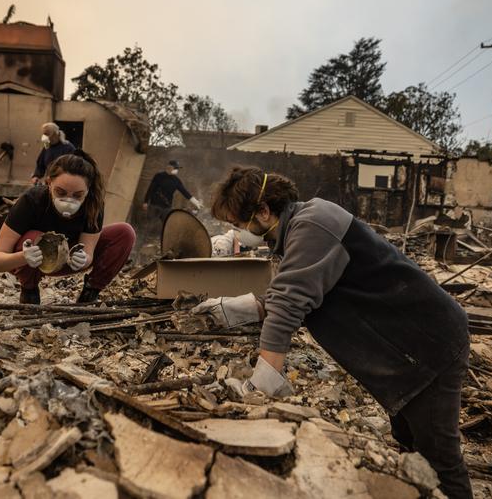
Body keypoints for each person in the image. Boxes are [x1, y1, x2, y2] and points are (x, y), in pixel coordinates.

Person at [192, 167, 472, 499]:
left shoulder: (313, 224)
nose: (238, 233)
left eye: (239, 224)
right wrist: (237, 308)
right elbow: (301, 290)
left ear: (264, 211)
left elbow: (288, 304)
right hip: (404, 349)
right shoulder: (301, 226)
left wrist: (263, 382)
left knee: (440, 459)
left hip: (427, 346)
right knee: (411, 443)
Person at [0, 150, 135, 305]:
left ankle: (89, 294)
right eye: (60, 192)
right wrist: (23, 257)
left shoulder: (93, 205)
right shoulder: (31, 201)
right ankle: (29, 291)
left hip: (68, 260)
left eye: (78, 195)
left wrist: (83, 259)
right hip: (31, 263)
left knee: (124, 232)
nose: (68, 201)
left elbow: (88, 253)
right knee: (33, 237)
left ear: (88, 190)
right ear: (49, 182)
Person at [142, 160, 203, 228]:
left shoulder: (176, 181)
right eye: (175, 168)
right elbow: (151, 188)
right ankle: (145, 237)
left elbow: (185, 192)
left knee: (167, 225)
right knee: (149, 224)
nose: (176, 170)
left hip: (166, 207)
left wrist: (196, 202)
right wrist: (146, 202)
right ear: (169, 167)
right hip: (154, 205)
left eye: (177, 169)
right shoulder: (158, 176)